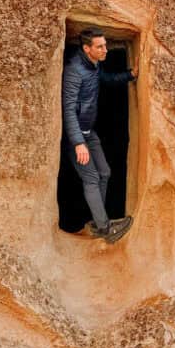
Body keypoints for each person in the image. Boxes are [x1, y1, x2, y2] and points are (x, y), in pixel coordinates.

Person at [62, 27, 137, 243]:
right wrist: (78, 143)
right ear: (87, 48)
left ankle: (98, 221)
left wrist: (129, 75)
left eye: (105, 45)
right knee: (92, 177)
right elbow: (68, 109)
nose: (106, 50)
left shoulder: (93, 66)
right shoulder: (74, 71)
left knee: (104, 172)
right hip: (75, 136)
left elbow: (105, 78)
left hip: (89, 131)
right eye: (100, 47)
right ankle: (105, 230)